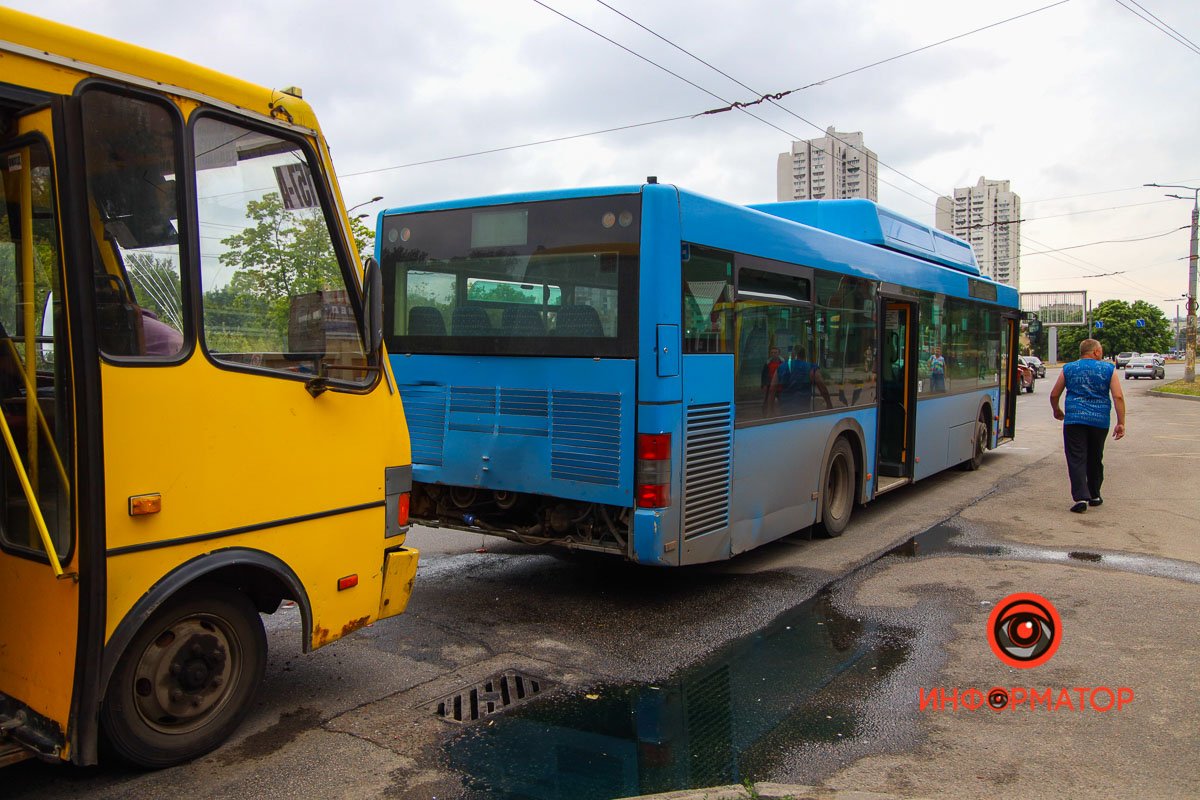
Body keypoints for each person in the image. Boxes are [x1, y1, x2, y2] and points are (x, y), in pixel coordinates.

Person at [1049, 338, 1125, 513]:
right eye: (1101, 350)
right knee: (1095, 456)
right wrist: (1121, 422)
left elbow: (1054, 394)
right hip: (1099, 421)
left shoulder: (1068, 368)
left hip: (1074, 420)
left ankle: (1081, 498)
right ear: (1096, 352)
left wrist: (1057, 410)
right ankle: (1095, 495)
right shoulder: (1108, 369)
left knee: (1076, 457)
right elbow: (1118, 396)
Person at [776, 346, 832, 414]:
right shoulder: (811, 367)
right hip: (802, 407)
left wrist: (769, 410)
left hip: (784, 407)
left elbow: (772, 389)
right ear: (804, 355)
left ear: (792, 355)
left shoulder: (781, 367)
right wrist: (829, 404)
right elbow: (822, 388)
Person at [761, 346, 784, 415]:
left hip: (780, 387)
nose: (774, 354)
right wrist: (764, 385)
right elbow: (764, 375)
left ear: (779, 353)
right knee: (767, 402)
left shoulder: (783, 363)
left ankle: (783, 414)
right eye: (772, 353)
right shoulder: (767, 363)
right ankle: (766, 415)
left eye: (775, 352)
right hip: (770, 386)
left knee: (782, 402)